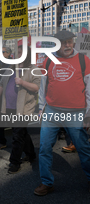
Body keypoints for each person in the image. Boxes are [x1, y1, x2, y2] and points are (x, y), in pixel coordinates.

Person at [34, 30, 90, 195]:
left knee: (83, 149)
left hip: (76, 112)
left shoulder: (83, 60)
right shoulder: (48, 61)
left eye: (69, 41)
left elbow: (89, 90)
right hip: (51, 112)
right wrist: (40, 108)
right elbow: (43, 87)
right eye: (63, 42)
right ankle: (46, 182)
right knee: (44, 148)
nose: (67, 45)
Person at [0, 45, 39, 174]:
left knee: (17, 135)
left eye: (21, 53)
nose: (19, 55)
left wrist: (23, 82)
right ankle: (31, 154)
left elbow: (36, 87)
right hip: (10, 107)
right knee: (21, 132)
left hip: (24, 108)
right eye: (17, 53)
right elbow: (1, 84)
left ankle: (14, 162)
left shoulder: (33, 69)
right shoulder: (11, 68)